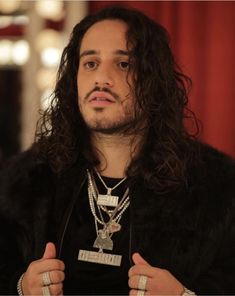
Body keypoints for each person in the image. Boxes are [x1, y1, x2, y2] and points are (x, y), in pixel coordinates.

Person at [0, 5, 235, 296]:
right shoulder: (24, 180)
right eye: (90, 63)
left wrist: (185, 295)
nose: (101, 78)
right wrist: (20, 288)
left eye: (123, 64)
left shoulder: (217, 186)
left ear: (153, 80)